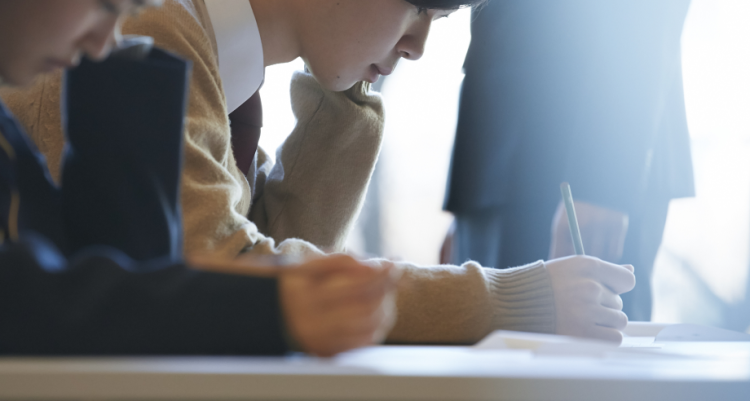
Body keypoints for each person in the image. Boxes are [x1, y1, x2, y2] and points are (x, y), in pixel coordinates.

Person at [3, 0, 636, 343]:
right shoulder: (154, 29)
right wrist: (503, 300)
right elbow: (215, 276)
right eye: (419, 7)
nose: (419, 45)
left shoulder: (225, 72)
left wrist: (342, 111)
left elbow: (266, 273)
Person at [0, 0, 397, 357]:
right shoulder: (166, 25)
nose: (103, 43)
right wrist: (256, 304)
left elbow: (121, 272)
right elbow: (29, 296)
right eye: (104, 4)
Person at [442, 0, 695, 322]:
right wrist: (471, 201)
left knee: (589, 344)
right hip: (496, 168)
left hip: (578, 154)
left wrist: (605, 174)